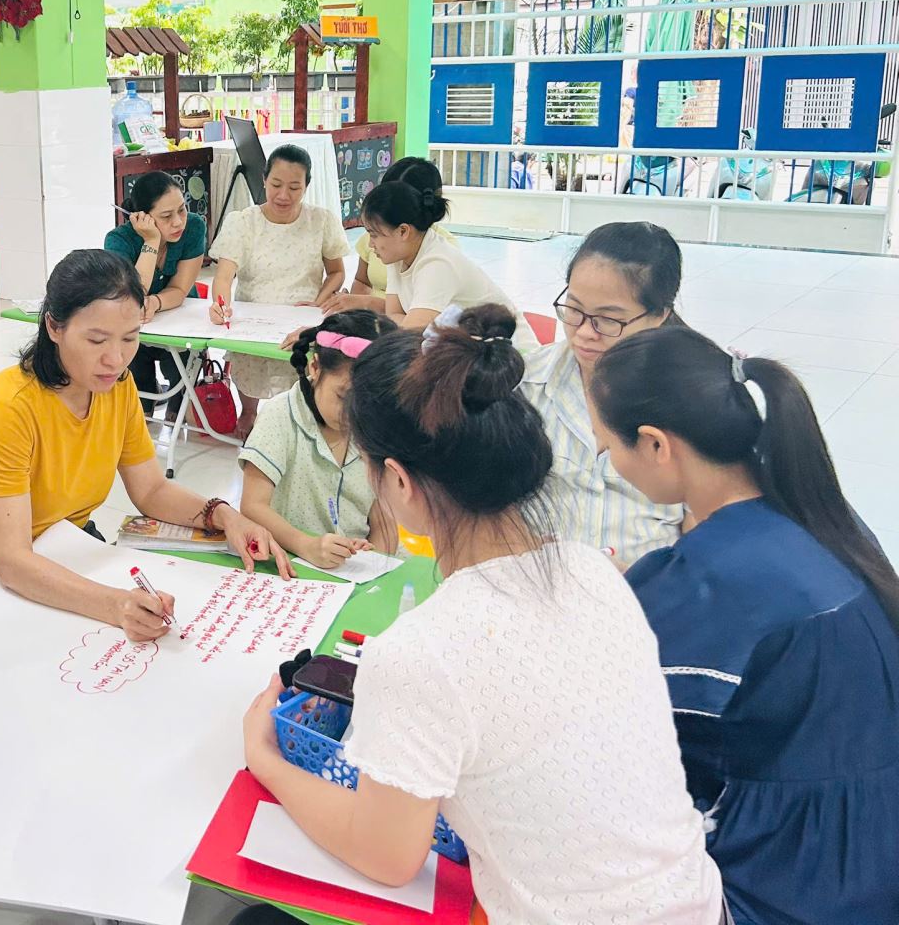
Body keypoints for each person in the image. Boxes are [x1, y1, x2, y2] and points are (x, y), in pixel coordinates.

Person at [240, 305, 724, 925]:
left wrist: (266, 758)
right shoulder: (595, 571)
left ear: (398, 481)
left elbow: (387, 856)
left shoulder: (421, 652)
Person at [589, 327, 899, 925]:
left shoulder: (696, 581)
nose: (611, 463)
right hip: (874, 843)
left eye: (609, 448)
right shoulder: (825, 516)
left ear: (655, 444)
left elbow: (628, 753)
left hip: (790, 880)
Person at [0, 249, 290, 627]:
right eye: (97, 340)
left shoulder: (116, 387)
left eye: (130, 338)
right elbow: (11, 561)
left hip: (68, 545)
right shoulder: (9, 407)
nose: (116, 359)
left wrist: (225, 516)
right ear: (54, 327)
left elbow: (151, 490)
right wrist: (115, 606)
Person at [521, 222, 686, 563]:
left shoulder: (692, 402)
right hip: (538, 579)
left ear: (660, 315)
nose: (584, 332)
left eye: (608, 320)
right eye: (574, 309)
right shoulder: (527, 385)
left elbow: (707, 537)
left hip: (647, 590)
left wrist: (643, 579)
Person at [238, 309, 400, 568]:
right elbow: (252, 505)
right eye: (343, 397)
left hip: (352, 570)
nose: (354, 414)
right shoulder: (281, 416)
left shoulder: (376, 426)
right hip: (292, 564)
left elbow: (384, 523)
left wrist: (374, 556)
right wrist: (306, 545)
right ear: (315, 367)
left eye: (370, 402)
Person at [209, 145, 348, 436]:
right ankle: (249, 411)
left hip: (301, 317)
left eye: (294, 187)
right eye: (276, 184)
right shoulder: (243, 222)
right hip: (254, 314)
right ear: (264, 180)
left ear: (307, 186)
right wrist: (221, 304)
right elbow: (223, 276)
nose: (283, 195)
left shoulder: (321, 221)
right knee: (250, 365)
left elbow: (337, 272)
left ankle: (293, 420)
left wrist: (318, 302)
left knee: (296, 374)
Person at [357, 178, 537, 348]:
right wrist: (412, 325)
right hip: (463, 349)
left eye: (374, 235)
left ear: (403, 231)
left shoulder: (437, 264)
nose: (371, 244)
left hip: (506, 355)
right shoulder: (398, 256)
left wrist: (411, 325)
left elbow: (409, 335)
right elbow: (394, 316)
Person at [103, 171, 207, 408]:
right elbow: (133, 296)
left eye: (182, 209)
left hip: (180, 320)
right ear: (141, 217)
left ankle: (175, 410)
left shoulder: (193, 227)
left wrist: (155, 303)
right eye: (166, 216)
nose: (178, 221)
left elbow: (179, 289)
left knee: (181, 390)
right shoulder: (118, 241)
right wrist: (151, 241)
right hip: (136, 327)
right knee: (139, 394)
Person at [322, 157, 458, 315]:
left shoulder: (441, 254)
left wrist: (365, 303)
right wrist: (352, 307)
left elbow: (417, 318)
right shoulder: (380, 240)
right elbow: (362, 282)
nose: (371, 243)